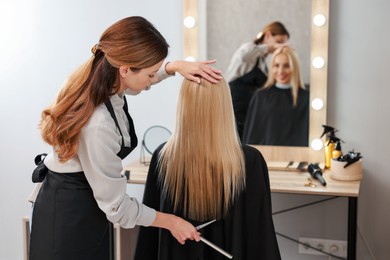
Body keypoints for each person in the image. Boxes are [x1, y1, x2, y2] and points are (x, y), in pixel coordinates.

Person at [27, 16, 222, 260]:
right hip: (67, 223)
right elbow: (118, 209)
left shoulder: (108, 83)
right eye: (151, 75)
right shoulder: (98, 123)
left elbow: (140, 79)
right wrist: (171, 222)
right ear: (125, 69)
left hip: (86, 211)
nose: (152, 81)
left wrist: (173, 67)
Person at [134, 78, 281, 260]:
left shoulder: (163, 157)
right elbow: (260, 236)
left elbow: (149, 241)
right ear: (225, 106)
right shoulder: (250, 161)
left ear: (183, 105)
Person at [225, 21, 290, 140]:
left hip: (250, 104)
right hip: (235, 101)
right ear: (268, 35)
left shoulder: (263, 61)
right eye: (279, 42)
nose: (280, 46)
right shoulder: (249, 48)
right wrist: (270, 47)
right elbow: (245, 56)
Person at [243, 46, 309, 146]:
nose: (280, 71)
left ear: (294, 68)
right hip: (267, 158)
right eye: (276, 65)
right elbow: (251, 136)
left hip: (298, 158)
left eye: (287, 66)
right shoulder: (261, 97)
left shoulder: (306, 98)